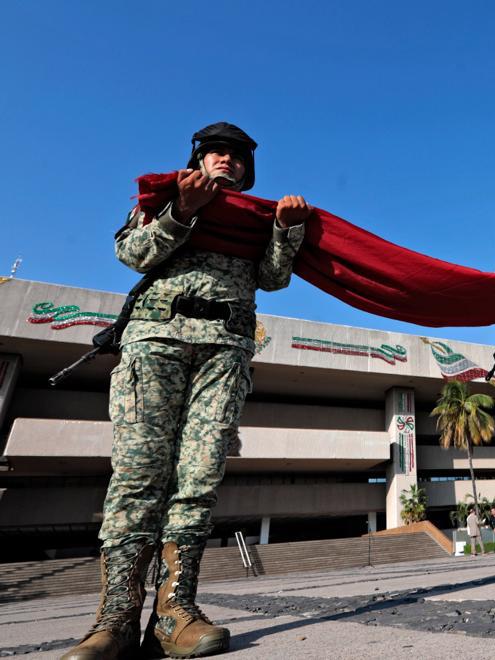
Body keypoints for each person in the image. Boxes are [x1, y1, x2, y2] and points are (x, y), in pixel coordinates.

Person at [63, 123, 310, 660]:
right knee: (138, 475)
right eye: (218, 152)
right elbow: (133, 253)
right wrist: (182, 211)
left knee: (198, 478)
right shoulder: (165, 196)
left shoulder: (256, 217)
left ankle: (176, 612)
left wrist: (286, 231)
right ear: (199, 159)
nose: (229, 161)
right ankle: (116, 618)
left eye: (239, 156)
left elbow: (272, 278)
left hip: (225, 349)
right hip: (156, 341)